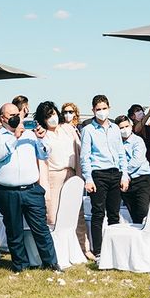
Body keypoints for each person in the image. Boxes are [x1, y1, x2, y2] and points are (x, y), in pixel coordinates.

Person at [0, 102, 60, 272]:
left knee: (41, 229)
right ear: (2, 118)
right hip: (8, 191)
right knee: (14, 230)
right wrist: (15, 137)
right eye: (10, 115)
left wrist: (42, 139)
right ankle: (20, 265)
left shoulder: (30, 134)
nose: (15, 118)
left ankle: (51, 263)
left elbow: (44, 154)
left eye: (17, 114)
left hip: (32, 189)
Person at [35, 101, 92, 260]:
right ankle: (56, 252)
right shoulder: (43, 135)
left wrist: (81, 176)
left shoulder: (68, 129)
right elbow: (42, 158)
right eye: (47, 116)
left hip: (72, 173)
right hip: (53, 176)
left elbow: (79, 150)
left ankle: (84, 248)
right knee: (53, 214)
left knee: (77, 212)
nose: (52, 118)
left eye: (53, 114)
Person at [80, 95, 129, 258]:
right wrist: (88, 178)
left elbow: (121, 153)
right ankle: (99, 251)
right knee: (98, 213)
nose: (101, 112)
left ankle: (114, 249)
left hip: (115, 173)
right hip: (98, 174)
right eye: (98, 109)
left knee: (114, 213)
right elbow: (85, 156)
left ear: (109, 108)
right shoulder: (88, 130)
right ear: (93, 110)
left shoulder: (115, 128)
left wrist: (124, 175)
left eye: (104, 108)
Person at [116, 115, 150, 224]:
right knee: (133, 214)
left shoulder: (138, 141)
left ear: (131, 126)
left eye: (126, 126)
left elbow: (137, 161)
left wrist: (124, 173)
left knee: (143, 211)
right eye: (121, 128)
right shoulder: (116, 143)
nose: (124, 129)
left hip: (141, 180)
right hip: (125, 182)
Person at [128, 103, 150, 176]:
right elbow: (137, 130)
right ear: (132, 116)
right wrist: (149, 113)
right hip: (140, 167)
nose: (140, 112)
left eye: (141, 110)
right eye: (137, 110)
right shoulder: (131, 130)